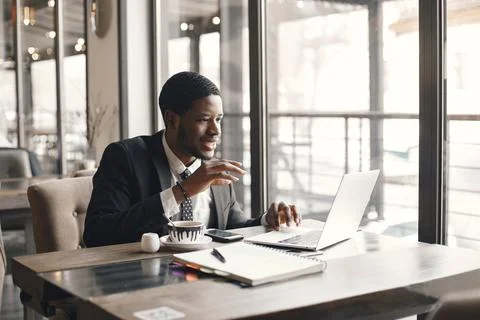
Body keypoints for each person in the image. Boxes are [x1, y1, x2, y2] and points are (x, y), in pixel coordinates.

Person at [83, 71, 301, 247]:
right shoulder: (125, 157)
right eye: (204, 119)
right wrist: (183, 191)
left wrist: (268, 220)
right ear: (172, 119)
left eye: (219, 119)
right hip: (144, 284)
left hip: (208, 284)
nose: (215, 130)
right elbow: (98, 234)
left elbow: (232, 226)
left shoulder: (213, 169)